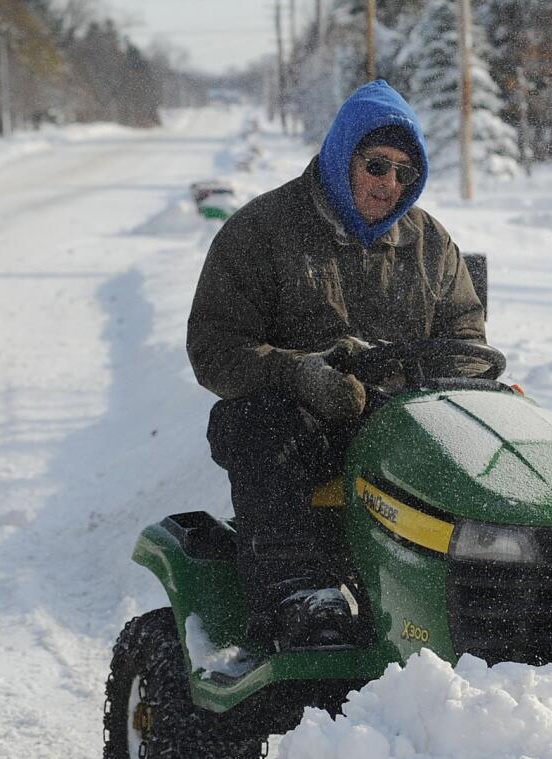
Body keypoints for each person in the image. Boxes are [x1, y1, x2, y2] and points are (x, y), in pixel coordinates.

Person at [187, 81, 488, 650]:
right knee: (255, 423)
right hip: (299, 430)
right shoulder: (262, 231)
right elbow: (214, 348)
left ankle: (498, 605)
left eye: (405, 172)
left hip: (405, 425)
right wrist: (297, 374)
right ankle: (295, 592)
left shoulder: (430, 244)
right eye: (376, 165)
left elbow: (466, 341)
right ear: (342, 155)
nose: (390, 184)